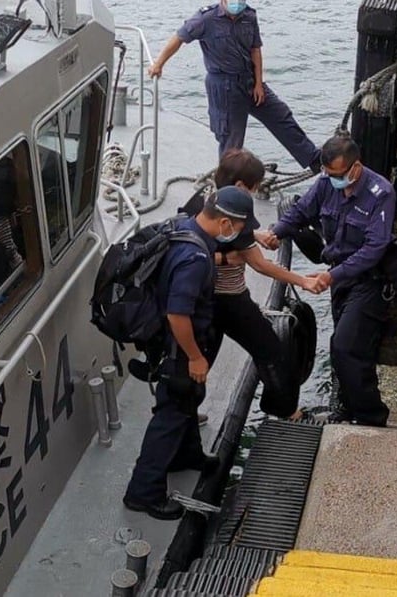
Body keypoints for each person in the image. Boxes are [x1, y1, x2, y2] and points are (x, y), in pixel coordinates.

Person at [123, 186, 258, 520]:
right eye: (239, 226)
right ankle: (143, 491)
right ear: (226, 222)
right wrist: (195, 357)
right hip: (179, 348)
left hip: (169, 344)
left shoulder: (184, 229)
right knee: (173, 411)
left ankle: (187, 454)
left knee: (187, 402)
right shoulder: (195, 259)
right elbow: (178, 314)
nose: (239, 233)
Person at [181, 149, 323, 420]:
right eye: (255, 187)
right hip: (231, 300)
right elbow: (260, 265)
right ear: (240, 186)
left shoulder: (202, 203)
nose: (256, 192)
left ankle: (187, 410)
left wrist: (251, 238)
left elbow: (186, 243)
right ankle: (286, 410)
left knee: (204, 355)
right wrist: (303, 280)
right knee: (270, 351)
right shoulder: (237, 217)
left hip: (202, 299)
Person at [265, 134, 396, 427]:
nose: (333, 180)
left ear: (355, 168)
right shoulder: (326, 183)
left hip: (368, 282)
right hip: (339, 280)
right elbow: (301, 212)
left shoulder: (380, 193)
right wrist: (278, 231)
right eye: (329, 174)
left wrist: (330, 275)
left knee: (346, 345)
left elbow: (374, 248)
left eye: (338, 175)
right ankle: (347, 410)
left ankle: (371, 416)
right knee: (348, 348)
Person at [148, 0, 322, 173]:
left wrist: (259, 83)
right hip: (224, 85)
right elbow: (179, 38)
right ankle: (227, 186)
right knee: (232, 138)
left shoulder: (249, 16)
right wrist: (159, 64)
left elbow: (255, 49)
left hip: (250, 80)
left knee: (280, 115)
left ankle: (314, 159)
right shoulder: (205, 18)